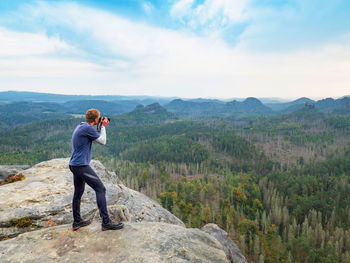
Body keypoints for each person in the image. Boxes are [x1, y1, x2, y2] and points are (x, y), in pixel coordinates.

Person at [69, 109, 124, 231]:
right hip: (81, 166)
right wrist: (103, 126)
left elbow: (94, 139)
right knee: (100, 189)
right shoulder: (88, 129)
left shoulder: (82, 126)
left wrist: (99, 126)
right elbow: (102, 141)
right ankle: (106, 222)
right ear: (95, 119)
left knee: (78, 193)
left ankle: (77, 221)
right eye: (98, 118)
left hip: (74, 165)